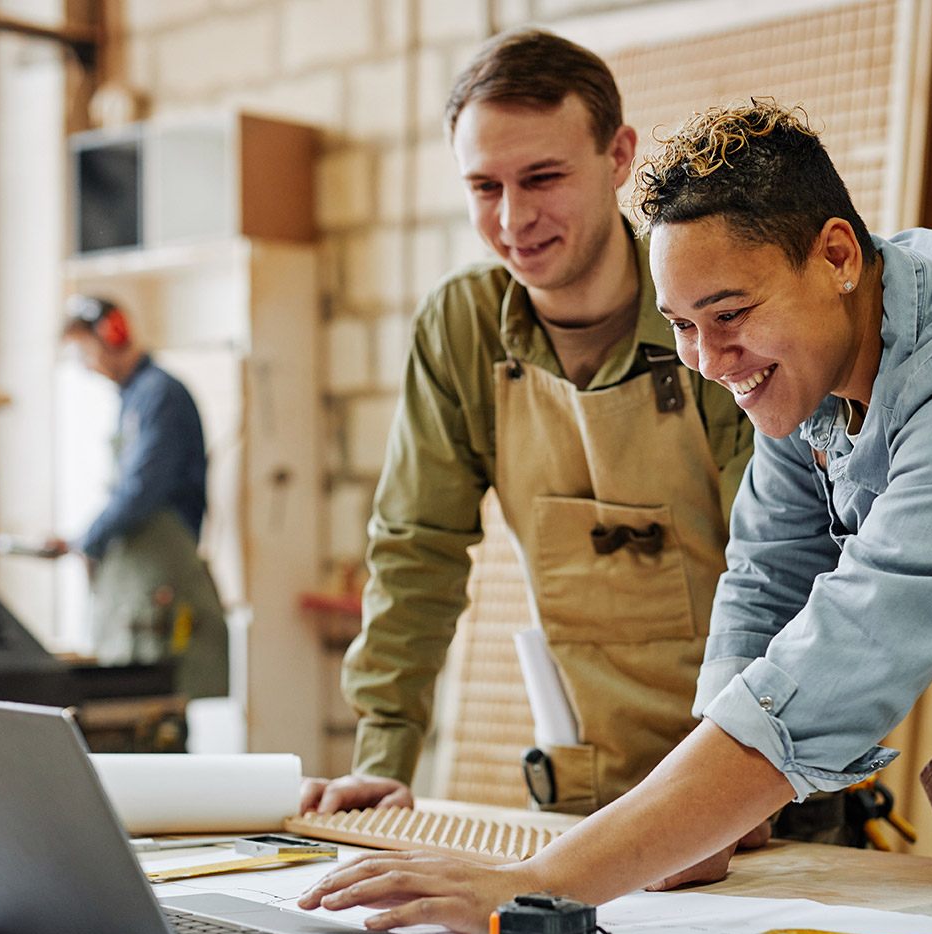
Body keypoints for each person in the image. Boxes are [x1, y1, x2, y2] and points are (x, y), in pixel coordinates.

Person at [298, 99, 932, 934]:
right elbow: (766, 575)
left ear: (836, 256)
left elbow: (844, 655)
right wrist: (719, 816)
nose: (709, 362)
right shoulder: (816, 360)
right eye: (680, 325)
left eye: (729, 314)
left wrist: (540, 883)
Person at [301, 29, 862, 848]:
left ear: (618, 156)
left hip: (767, 789)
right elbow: (416, 551)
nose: (514, 217)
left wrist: (742, 784)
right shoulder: (461, 329)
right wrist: (383, 757)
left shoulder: (708, 315)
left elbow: (782, 565)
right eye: (484, 186)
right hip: (587, 798)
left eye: (543, 178)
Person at [47, 295, 229, 702]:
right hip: (141, 580)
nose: (87, 366)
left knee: (159, 707)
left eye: (85, 353)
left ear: (112, 335)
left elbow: (142, 488)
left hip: (161, 575)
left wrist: (88, 539)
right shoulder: (134, 399)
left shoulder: (160, 395)